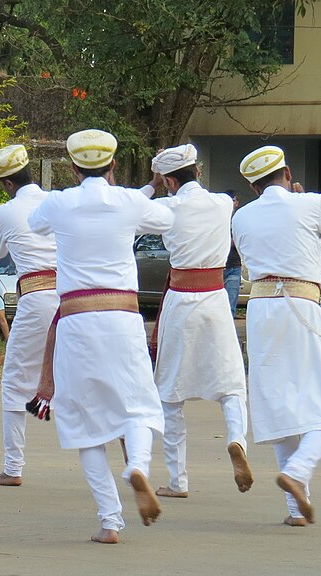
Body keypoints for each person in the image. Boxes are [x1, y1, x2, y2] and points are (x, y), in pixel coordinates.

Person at [28, 129, 173, 544]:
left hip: (76, 322)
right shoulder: (128, 201)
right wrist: (152, 185)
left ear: (72, 168)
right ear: (112, 166)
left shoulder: (58, 202)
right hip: (123, 318)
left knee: (83, 423)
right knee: (139, 406)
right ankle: (138, 466)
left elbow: (35, 225)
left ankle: (110, 521)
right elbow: (167, 218)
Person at [231, 145, 321, 527]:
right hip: (301, 304)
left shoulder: (241, 216)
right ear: (287, 173)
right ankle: (299, 470)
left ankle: (296, 509)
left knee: (277, 403)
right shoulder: (308, 203)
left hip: (260, 309)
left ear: (254, 185)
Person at [143, 145, 251, 499]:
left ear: (169, 180)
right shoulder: (223, 202)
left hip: (181, 300)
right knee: (232, 383)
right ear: (198, 172)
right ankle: (236, 439)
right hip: (216, 298)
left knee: (170, 393)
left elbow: (128, 211)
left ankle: (178, 480)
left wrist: (151, 187)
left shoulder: (165, 207)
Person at [0, 144, 58, 487]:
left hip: (37, 297)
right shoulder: (57, 201)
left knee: (15, 381)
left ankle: (13, 467)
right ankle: (133, 460)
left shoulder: (5, 212)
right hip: (74, 296)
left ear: (7, 184)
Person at [222, 190, 242, 318]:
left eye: (233, 200)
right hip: (219, 266)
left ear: (237, 203)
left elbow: (241, 241)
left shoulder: (240, 219)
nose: (231, 203)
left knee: (230, 308)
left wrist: (226, 240)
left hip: (234, 266)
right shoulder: (218, 218)